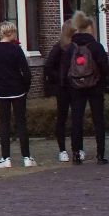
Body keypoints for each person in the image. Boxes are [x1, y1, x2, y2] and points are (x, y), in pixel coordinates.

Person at [61, 12, 108, 164]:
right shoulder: (96, 46)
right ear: (89, 28)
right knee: (98, 120)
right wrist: (102, 83)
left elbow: (64, 69)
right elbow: (104, 67)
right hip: (95, 86)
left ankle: (76, 154)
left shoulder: (70, 48)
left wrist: (67, 86)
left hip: (75, 88)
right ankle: (100, 155)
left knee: (76, 120)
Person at [0, 22, 33, 167]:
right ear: (11, 33)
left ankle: (6, 159)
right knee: (21, 123)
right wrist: (25, 88)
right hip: (18, 90)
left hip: (2, 92)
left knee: (4, 124)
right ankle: (27, 158)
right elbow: (27, 73)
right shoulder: (16, 49)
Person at [42, 26, 76, 163]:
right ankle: (62, 150)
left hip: (75, 86)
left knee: (76, 117)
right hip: (62, 88)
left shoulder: (77, 47)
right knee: (62, 118)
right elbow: (48, 67)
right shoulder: (58, 48)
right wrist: (61, 78)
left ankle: (77, 148)